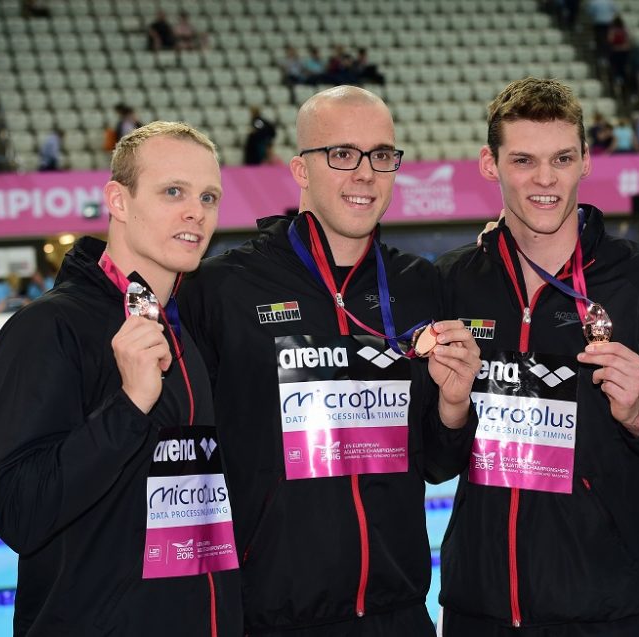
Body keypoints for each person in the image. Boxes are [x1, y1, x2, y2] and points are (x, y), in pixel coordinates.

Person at [177, 86, 481, 635]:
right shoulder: (224, 290)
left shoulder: (419, 286)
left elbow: (437, 463)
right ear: (300, 169)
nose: (365, 173)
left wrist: (455, 405)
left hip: (399, 613)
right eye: (342, 154)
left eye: (382, 155)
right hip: (274, 617)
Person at [435, 77, 639, 636]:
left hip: (604, 610)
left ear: (586, 161)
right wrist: (450, 410)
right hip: (479, 609)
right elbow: (430, 461)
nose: (544, 180)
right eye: (523, 160)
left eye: (561, 159)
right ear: (489, 163)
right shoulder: (454, 282)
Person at [0, 121, 242, 635]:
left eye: (208, 196)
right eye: (173, 192)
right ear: (118, 202)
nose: (197, 211)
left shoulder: (184, 332)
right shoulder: (47, 328)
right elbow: (20, 514)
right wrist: (128, 405)